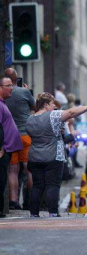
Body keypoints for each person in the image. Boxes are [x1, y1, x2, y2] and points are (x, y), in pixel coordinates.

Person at [26, 92, 87, 217]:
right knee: (53, 185)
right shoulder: (52, 116)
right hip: (53, 156)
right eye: (52, 104)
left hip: (34, 157)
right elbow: (70, 113)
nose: (54, 107)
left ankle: (34, 213)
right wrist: (86, 107)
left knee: (37, 186)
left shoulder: (30, 119)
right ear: (46, 104)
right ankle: (53, 212)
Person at [4, 68, 35, 210]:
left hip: (10, 136)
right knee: (29, 169)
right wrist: (27, 91)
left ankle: (13, 201)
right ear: (17, 79)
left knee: (12, 171)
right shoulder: (24, 92)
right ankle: (30, 200)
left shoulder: (4, 94)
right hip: (25, 134)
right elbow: (34, 107)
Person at [0, 76, 23, 217]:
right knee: (1, 179)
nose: (12, 88)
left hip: (7, 149)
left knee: (3, 178)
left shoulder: (3, 103)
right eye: (8, 85)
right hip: (3, 150)